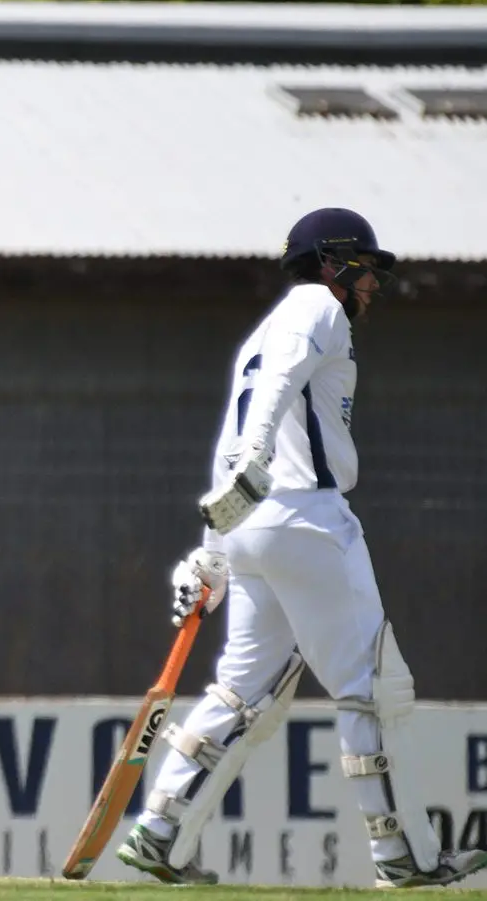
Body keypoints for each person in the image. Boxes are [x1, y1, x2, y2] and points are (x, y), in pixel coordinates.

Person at [116, 208, 487, 890]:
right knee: (374, 688)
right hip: (308, 519)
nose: (372, 286)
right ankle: (404, 857)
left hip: (254, 522)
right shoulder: (318, 306)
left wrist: (214, 549)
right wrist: (257, 462)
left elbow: (235, 439)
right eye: (367, 271)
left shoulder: (265, 330)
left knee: (244, 690)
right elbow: (270, 405)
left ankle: (160, 831)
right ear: (334, 263)